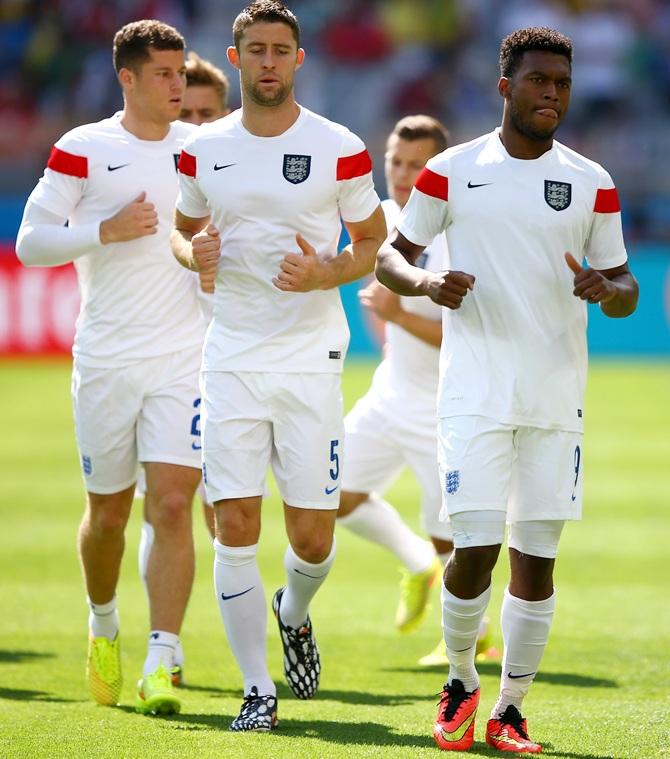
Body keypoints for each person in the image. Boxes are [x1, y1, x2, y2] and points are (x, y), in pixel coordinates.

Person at [375, 26, 638, 754]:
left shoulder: (593, 180)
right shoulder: (452, 171)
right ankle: (460, 679)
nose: (551, 93)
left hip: (556, 397)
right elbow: (390, 257)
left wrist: (605, 288)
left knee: (538, 560)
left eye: (561, 82)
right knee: (475, 550)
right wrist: (428, 280)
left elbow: (625, 285)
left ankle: (510, 708)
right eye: (538, 81)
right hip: (475, 393)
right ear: (505, 88)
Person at [170, 0, 386, 733]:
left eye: (280, 50)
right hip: (229, 354)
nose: (268, 61)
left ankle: (292, 611)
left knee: (313, 539)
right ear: (235, 60)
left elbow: (371, 241)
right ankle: (257, 687)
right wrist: (189, 253)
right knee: (234, 521)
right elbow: (183, 229)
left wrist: (327, 273)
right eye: (255, 49)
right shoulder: (203, 149)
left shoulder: (340, 147)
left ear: (299, 60)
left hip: (308, 357)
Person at [15, 20, 207, 716]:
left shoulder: (202, 149)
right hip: (105, 358)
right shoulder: (84, 149)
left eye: (181, 71)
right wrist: (104, 230)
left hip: (183, 359)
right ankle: (102, 623)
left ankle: (164, 657)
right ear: (127, 78)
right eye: (163, 72)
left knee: (176, 502)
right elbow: (31, 241)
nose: (177, 83)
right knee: (108, 515)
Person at [338, 114, 497, 665]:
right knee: (328, 493)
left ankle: (477, 637)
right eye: (395, 162)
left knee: (450, 537)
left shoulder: (458, 231)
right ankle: (416, 565)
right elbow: (373, 295)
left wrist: (398, 319)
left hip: (442, 407)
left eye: (416, 164)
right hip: (390, 393)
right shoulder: (382, 219)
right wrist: (388, 333)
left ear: (438, 168)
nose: (402, 175)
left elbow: (462, 329)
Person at [135, 48, 232, 685]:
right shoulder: (145, 172)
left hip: (235, 362)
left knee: (222, 514)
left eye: (207, 113)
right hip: (168, 364)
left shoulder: (244, 173)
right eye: (185, 112)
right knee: (169, 505)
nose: (194, 125)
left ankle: (248, 631)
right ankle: (165, 643)